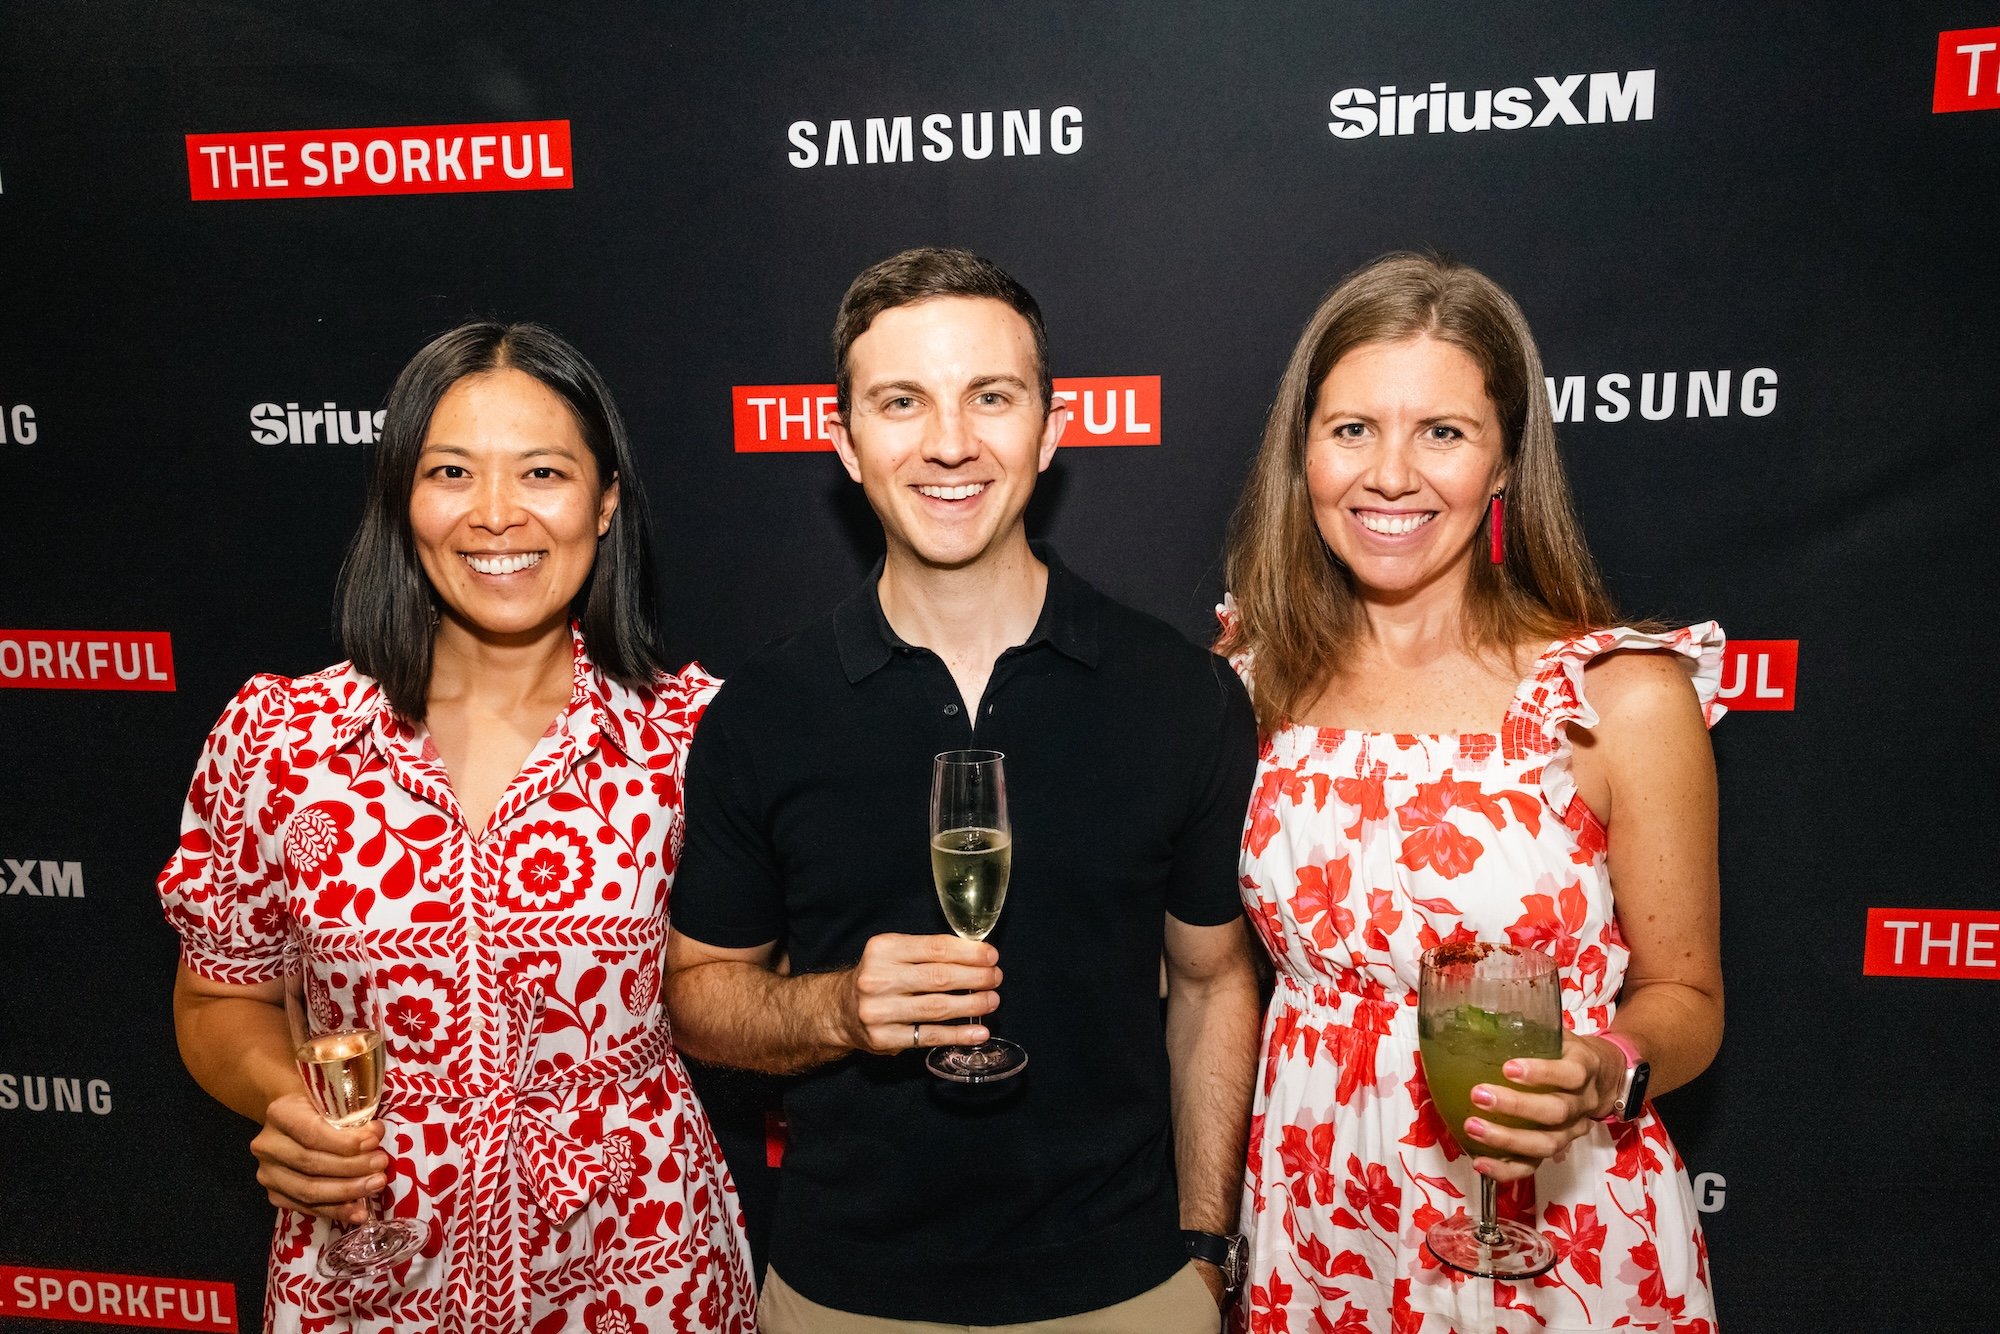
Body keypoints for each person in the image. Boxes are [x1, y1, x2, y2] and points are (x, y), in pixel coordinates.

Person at [663, 247, 1263, 1331]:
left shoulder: (1178, 692)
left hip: (1127, 1290)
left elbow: (1214, 982)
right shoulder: (763, 709)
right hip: (844, 1295)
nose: (949, 442)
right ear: (844, 441)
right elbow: (701, 993)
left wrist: (1204, 1251)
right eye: (902, 402)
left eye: (990, 396)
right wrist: (835, 1007)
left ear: (1050, 425)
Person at [159, 322, 756, 1334]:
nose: (493, 514)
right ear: (402, 499)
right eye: (449, 471)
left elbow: (752, 987)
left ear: (605, 501)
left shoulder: (694, 736)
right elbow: (220, 1000)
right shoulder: (280, 740)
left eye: (541, 471)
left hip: (635, 1266)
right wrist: (288, 1101)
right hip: (365, 1267)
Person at [1219, 254, 1722, 1332]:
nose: (1389, 474)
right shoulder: (1250, 682)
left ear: (1502, 463)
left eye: (1440, 431)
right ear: (1300, 449)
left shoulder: (1610, 695)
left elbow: (1688, 997)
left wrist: (1605, 1067)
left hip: (1554, 1221)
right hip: (1318, 1215)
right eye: (1350, 427)